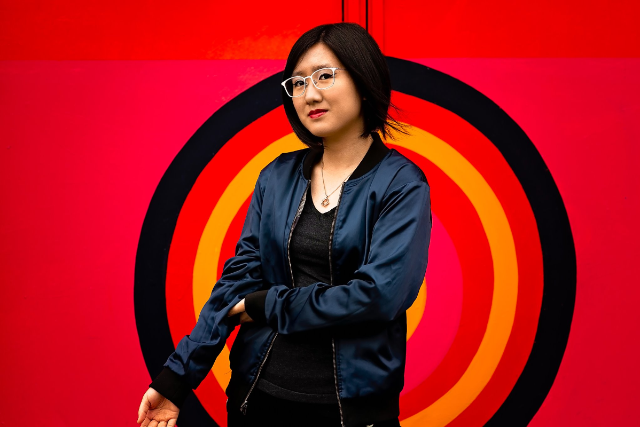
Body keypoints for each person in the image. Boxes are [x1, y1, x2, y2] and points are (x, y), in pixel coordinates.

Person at [137, 22, 432, 427]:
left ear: (364, 81)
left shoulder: (401, 184)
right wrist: (177, 378)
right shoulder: (277, 176)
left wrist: (267, 305)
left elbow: (379, 296)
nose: (309, 94)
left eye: (324, 76)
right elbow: (239, 279)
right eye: (297, 82)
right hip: (256, 397)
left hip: (350, 410)